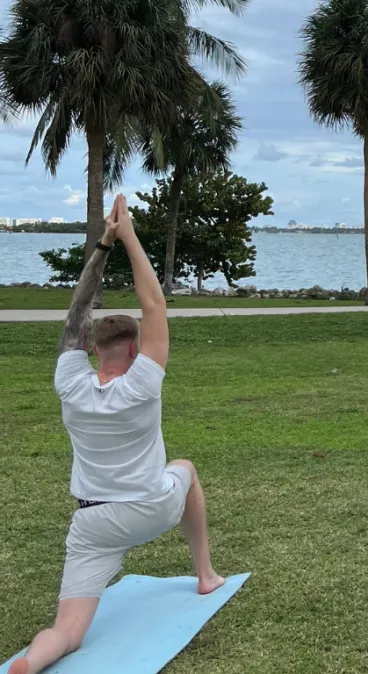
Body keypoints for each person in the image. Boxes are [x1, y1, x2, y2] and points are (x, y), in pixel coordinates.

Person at [10, 195, 224, 674]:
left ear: (92, 348)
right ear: (134, 351)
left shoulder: (70, 381)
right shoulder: (142, 384)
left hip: (94, 521)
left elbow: (78, 306)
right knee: (185, 468)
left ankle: (35, 658)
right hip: (151, 507)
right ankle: (205, 575)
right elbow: (154, 303)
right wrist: (127, 235)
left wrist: (103, 245)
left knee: (67, 631)